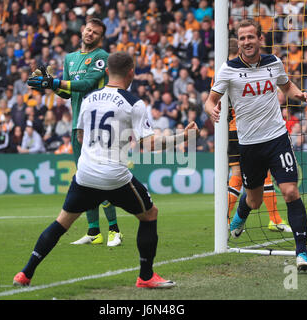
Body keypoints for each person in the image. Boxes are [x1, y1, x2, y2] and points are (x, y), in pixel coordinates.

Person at [14, 51, 198, 288]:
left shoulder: (89, 99)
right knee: (150, 214)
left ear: (107, 72)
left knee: (61, 223)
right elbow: (149, 145)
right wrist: (183, 137)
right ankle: (146, 277)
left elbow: (80, 135)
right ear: (131, 72)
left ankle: (25, 273)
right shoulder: (134, 103)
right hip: (114, 176)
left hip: (86, 174)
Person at [204, 20, 307, 272]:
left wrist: (299, 94)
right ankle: (240, 218)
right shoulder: (228, 69)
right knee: (253, 201)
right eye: (242, 38)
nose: (246, 42)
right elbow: (210, 100)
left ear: (260, 39)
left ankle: (302, 253)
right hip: (249, 145)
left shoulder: (274, 62)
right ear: (239, 42)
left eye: (250, 37)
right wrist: (213, 110)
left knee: (290, 192)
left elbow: (286, 86)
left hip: (277, 138)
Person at [27, 18, 122, 247]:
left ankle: (114, 230)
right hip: (77, 125)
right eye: (88, 30)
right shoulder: (69, 58)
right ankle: (93, 231)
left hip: (98, 125)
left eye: (96, 32)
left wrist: (54, 81)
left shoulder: (102, 57)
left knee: (101, 177)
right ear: (82, 30)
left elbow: (87, 84)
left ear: (100, 36)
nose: (90, 34)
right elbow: (68, 92)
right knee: (85, 178)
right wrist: (50, 85)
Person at [225, 38, 291, 233]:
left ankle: (228, 220)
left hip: (234, 129)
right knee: (253, 175)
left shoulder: (224, 71)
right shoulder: (232, 70)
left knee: (239, 175)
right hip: (244, 129)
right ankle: (274, 219)